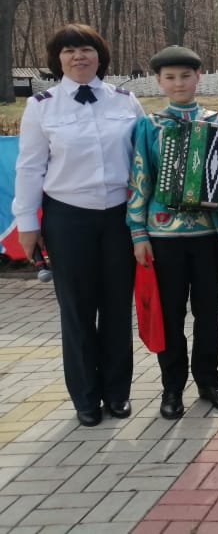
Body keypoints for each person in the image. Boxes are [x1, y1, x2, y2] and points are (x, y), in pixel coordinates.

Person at [13, 24, 144, 427]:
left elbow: (145, 156)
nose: (78, 57)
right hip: (68, 217)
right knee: (77, 310)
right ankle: (86, 397)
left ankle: (117, 392)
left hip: (119, 217)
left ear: (99, 55)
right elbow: (30, 167)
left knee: (117, 308)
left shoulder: (125, 100)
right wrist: (27, 224)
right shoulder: (42, 106)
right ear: (58, 60)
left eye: (86, 49)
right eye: (68, 51)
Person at [127, 46, 218, 419]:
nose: (178, 83)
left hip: (207, 236)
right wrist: (137, 232)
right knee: (170, 316)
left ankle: (209, 381)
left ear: (198, 77)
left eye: (185, 76)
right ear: (159, 81)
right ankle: (171, 387)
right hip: (162, 238)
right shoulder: (149, 126)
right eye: (170, 77)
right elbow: (139, 180)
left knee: (208, 313)